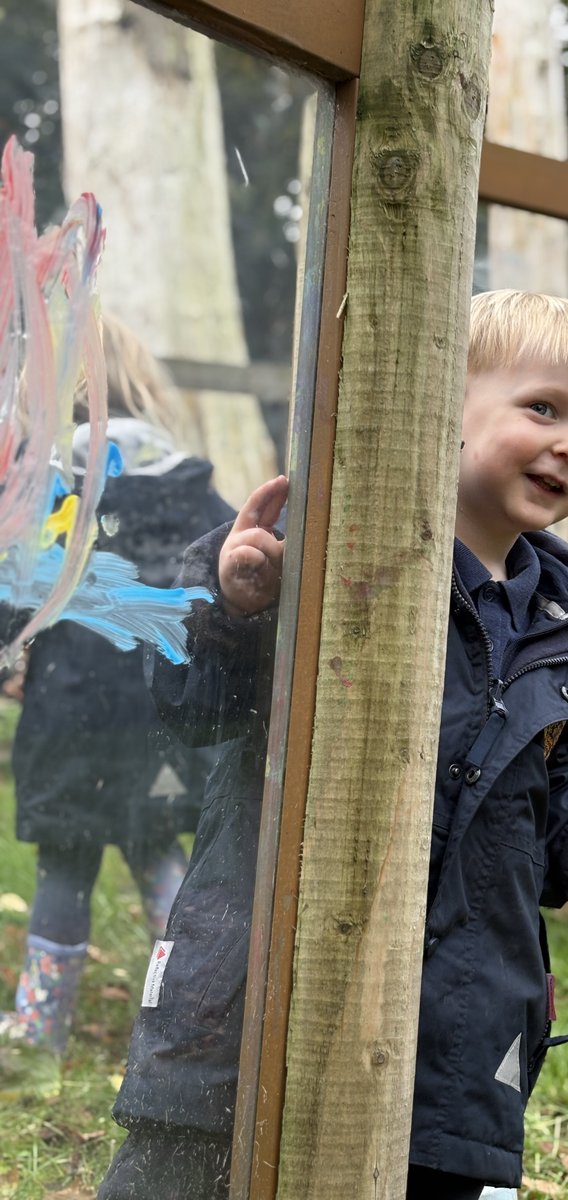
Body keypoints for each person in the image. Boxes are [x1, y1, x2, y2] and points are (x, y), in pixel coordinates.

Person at [99, 290, 568, 1199]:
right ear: (439, 400)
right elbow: (195, 710)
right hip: (254, 993)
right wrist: (236, 609)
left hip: (456, 1028)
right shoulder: (313, 546)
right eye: (542, 408)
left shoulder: (562, 623)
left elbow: (532, 795)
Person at [0, 316, 234, 1101]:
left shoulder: (49, 482)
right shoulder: (184, 477)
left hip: (71, 715)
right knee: (160, 857)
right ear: (141, 383)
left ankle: (38, 1035)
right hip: (161, 713)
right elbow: (230, 550)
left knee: (66, 864)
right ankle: (194, 1016)